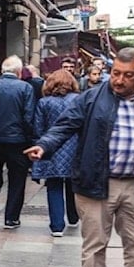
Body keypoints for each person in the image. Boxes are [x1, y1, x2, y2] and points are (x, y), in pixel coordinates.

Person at [24, 47, 134, 267]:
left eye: (128, 75)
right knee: (95, 243)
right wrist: (44, 146)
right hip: (97, 180)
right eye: (116, 73)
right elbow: (63, 126)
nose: (119, 80)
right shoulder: (91, 98)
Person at [0, 55, 36, 229]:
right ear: (19, 72)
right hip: (18, 141)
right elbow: (28, 117)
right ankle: (11, 218)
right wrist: (30, 140)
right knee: (17, 179)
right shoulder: (25, 88)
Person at [31, 70, 80, 237]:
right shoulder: (77, 100)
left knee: (53, 186)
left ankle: (57, 225)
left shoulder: (44, 103)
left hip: (51, 148)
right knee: (73, 185)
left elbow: (38, 128)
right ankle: (74, 217)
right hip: (74, 148)